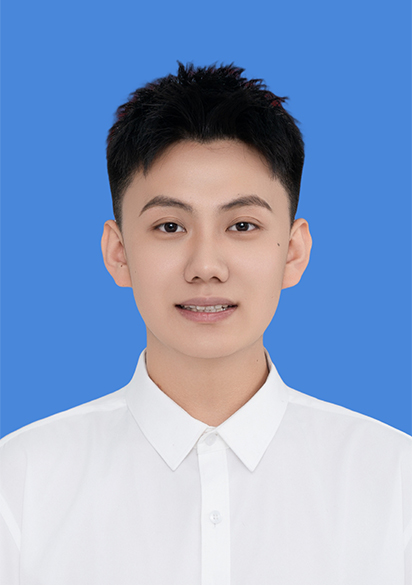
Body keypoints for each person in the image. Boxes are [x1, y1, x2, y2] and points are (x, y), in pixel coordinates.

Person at [0, 62, 411, 585]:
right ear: (118, 252)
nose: (206, 266)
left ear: (293, 251)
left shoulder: (395, 481)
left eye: (242, 225)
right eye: (170, 226)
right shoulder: (20, 483)